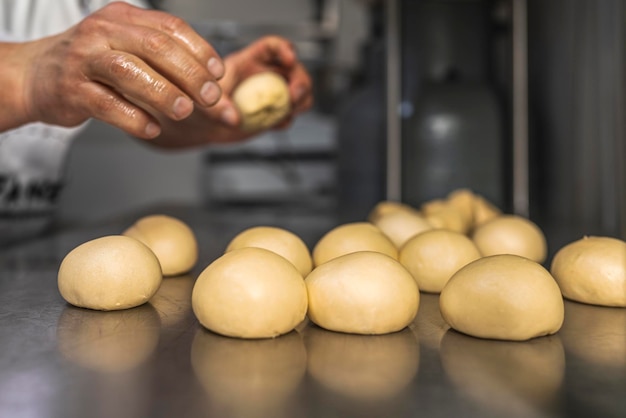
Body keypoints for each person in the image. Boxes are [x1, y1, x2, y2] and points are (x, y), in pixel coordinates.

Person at [0, 0, 313, 245]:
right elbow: (43, 74)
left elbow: (142, 97)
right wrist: (27, 77)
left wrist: (209, 99)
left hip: (27, 252)